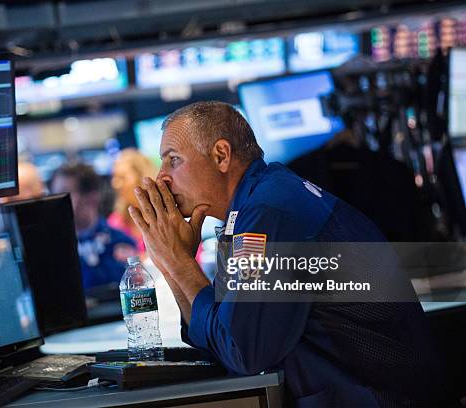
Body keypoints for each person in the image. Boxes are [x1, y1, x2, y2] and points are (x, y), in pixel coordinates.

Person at [127, 101, 449, 406]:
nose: (162, 178)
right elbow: (221, 344)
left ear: (221, 155)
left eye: (173, 159)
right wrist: (169, 261)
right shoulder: (254, 207)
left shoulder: (268, 213)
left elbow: (244, 351)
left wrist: (180, 262)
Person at [49, 163, 137, 291]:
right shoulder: (51, 248)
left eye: (63, 194)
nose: (54, 202)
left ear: (92, 198)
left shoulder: (121, 242)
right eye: (53, 194)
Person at [109, 148, 157, 254]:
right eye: (114, 177)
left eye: (122, 178)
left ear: (141, 178)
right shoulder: (116, 221)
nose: (115, 184)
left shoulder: (163, 214)